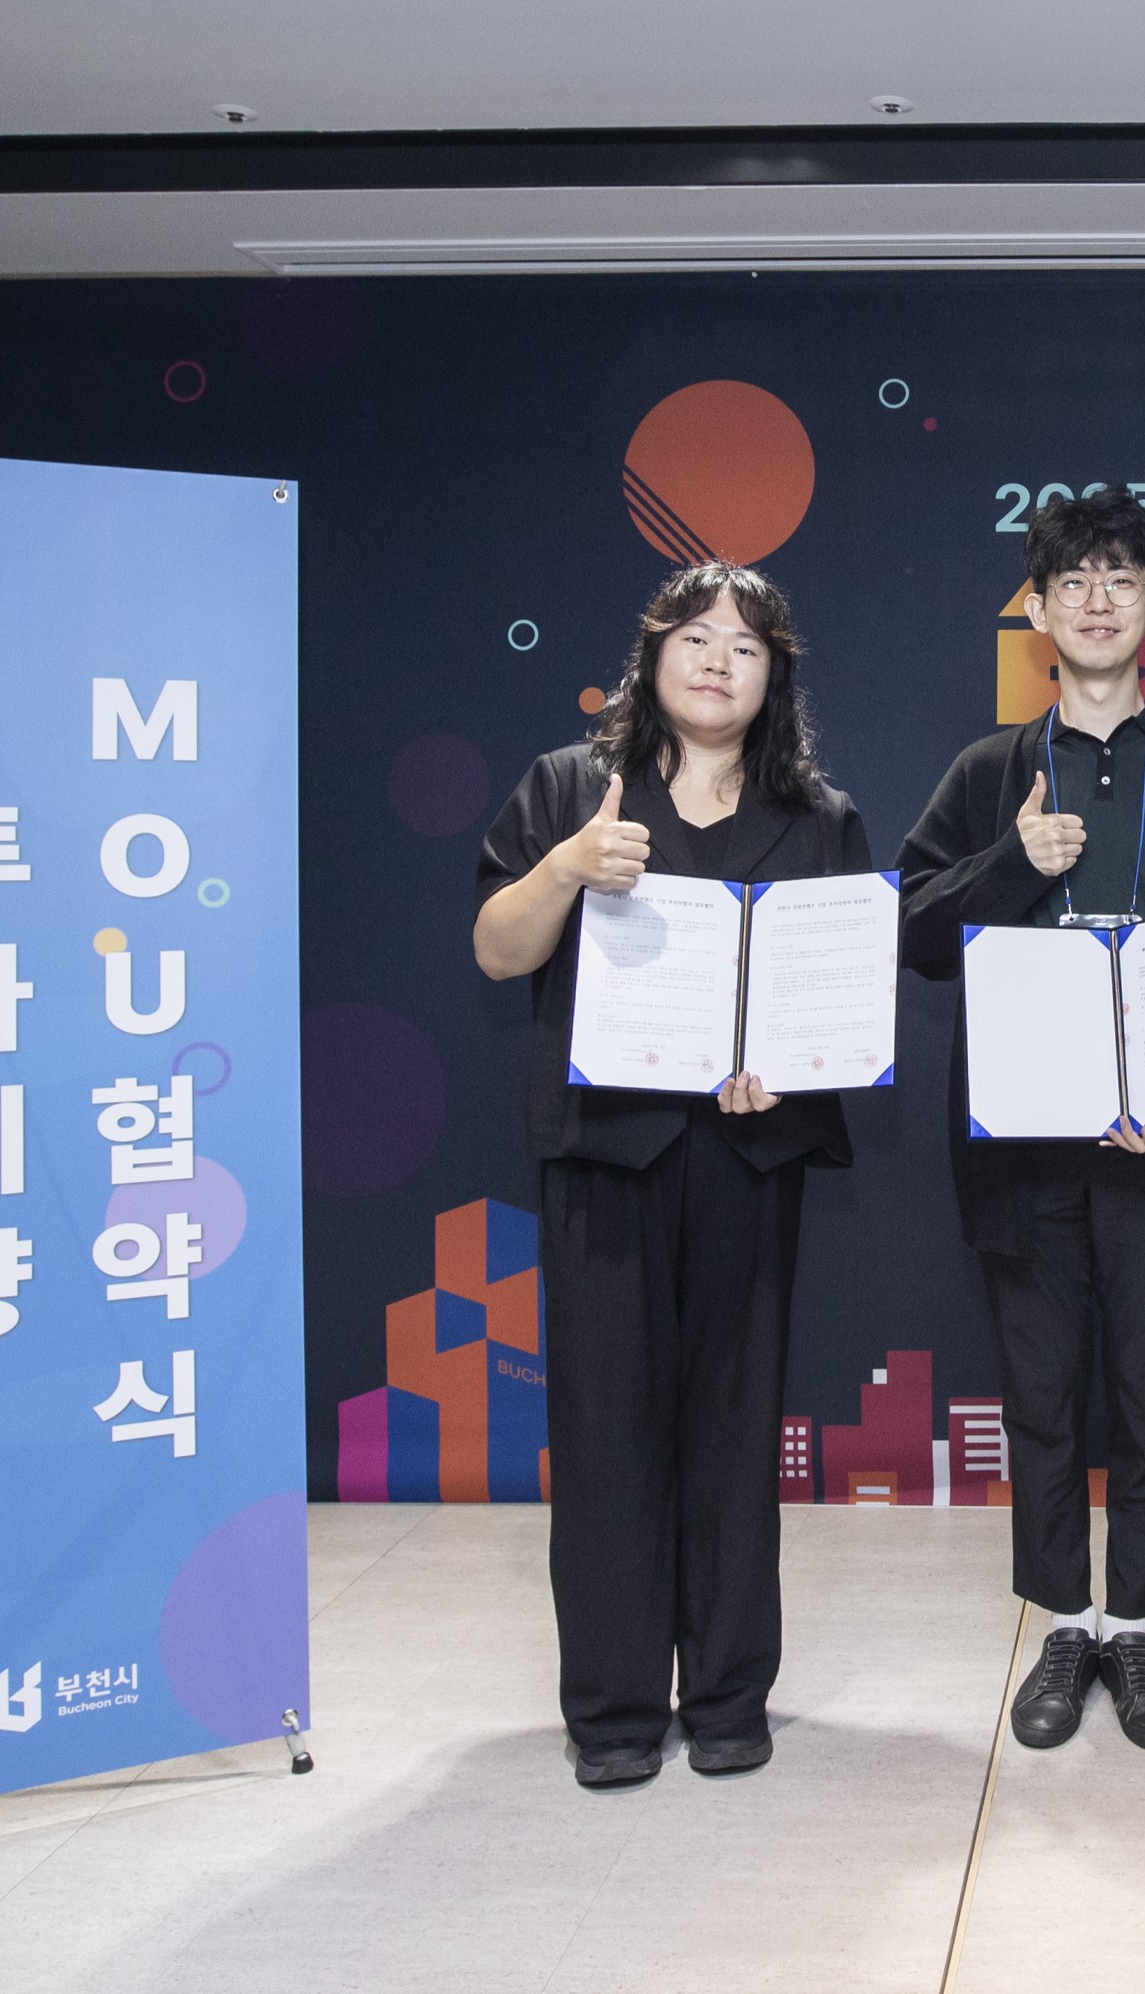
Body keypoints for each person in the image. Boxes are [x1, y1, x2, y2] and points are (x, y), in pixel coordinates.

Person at [473, 563, 870, 1790]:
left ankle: (732, 1694)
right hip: (609, 1150)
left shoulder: (820, 815)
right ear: (652, 657)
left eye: (745, 648)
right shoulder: (570, 787)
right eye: (695, 637)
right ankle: (613, 1710)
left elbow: (840, 996)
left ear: (775, 678)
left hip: (748, 1153)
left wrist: (789, 1071)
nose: (717, 662)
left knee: (736, 1432)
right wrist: (565, 868)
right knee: (606, 1433)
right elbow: (497, 951)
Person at [897, 491, 1145, 1753]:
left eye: (1121, 579)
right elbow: (912, 931)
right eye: (1074, 581)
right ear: (1039, 611)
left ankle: (1135, 1624)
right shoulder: (989, 772)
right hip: (1026, 1154)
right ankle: (1064, 1620)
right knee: (1045, 1397)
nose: (1098, 600)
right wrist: (1015, 860)